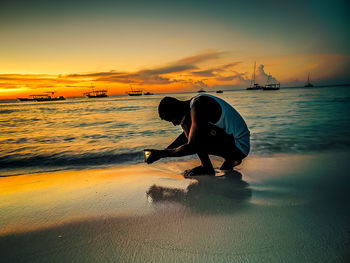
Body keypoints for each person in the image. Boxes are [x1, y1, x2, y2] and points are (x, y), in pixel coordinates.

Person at [145, 94, 250, 176]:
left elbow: (193, 146)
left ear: (176, 110)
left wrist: (161, 154)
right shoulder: (192, 107)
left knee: (194, 135)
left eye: (172, 119)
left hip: (239, 146)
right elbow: (187, 136)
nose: (174, 124)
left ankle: (209, 167)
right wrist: (165, 150)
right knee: (192, 131)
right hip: (233, 143)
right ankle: (226, 162)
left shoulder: (199, 105)